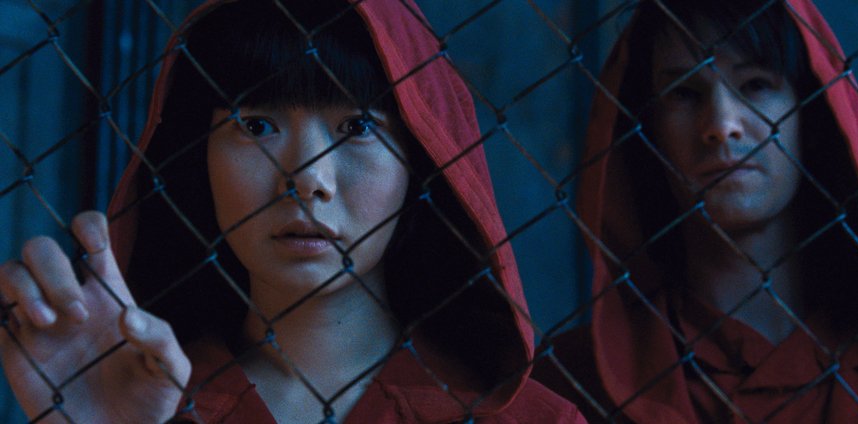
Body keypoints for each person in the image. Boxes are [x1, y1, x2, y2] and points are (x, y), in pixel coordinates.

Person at [0, 0, 585, 422]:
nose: (307, 178)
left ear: (421, 160)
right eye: (256, 126)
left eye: (357, 127)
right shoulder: (134, 396)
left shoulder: (529, 419)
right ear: (199, 157)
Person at [532, 0, 858, 422]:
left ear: (811, 114)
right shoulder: (572, 383)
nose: (721, 125)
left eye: (755, 85)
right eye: (684, 93)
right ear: (647, 131)